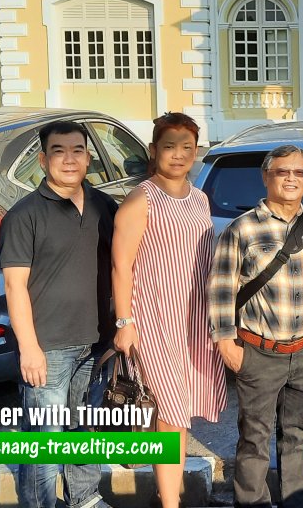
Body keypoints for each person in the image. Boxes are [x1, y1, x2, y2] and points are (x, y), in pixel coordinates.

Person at [209, 145, 303, 508]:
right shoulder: (243, 227)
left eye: (299, 173)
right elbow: (221, 288)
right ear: (267, 176)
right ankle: (252, 503)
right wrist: (225, 344)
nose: (291, 179)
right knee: (254, 437)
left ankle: (295, 501)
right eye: (282, 172)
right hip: (259, 351)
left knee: (297, 434)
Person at [112, 113, 227, 508]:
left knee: (181, 411)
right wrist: (125, 322)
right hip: (153, 318)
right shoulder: (140, 198)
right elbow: (120, 265)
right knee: (172, 412)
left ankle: (169, 492)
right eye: (169, 146)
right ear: (153, 150)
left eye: (187, 147)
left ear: (196, 152)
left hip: (194, 319)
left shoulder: (199, 198)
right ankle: (169, 502)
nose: (178, 155)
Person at [3, 120, 118, 508]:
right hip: (47, 348)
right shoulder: (24, 215)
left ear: (88, 158)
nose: (69, 159)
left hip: (96, 343)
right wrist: (29, 347)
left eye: (77, 150)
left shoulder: (105, 206)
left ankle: (84, 498)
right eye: (58, 151)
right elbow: (14, 286)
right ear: (42, 158)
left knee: (84, 430)